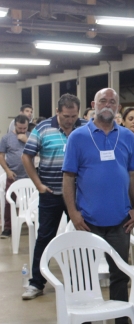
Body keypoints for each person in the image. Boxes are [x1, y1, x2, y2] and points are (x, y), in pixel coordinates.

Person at [62, 88, 134, 324]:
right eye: (103, 101)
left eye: (113, 101)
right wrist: (73, 213)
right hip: (88, 221)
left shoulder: (127, 136)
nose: (108, 105)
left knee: (120, 274)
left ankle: (120, 323)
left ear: (118, 106)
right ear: (93, 104)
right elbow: (68, 178)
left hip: (120, 221)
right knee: (85, 276)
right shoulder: (78, 136)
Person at [21, 94, 87, 300]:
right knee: (45, 237)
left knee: (80, 236)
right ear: (57, 112)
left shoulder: (84, 128)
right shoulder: (43, 129)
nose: (70, 120)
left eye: (74, 116)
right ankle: (36, 283)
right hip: (51, 194)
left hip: (78, 195)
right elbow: (27, 156)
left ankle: (81, 282)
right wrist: (39, 185)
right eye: (66, 116)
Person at [0, 115, 30, 238]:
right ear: (15, 125)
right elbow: (1, 156)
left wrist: (26, 140)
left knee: (31, 202)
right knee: (9, 202)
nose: (22, 130)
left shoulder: (31, 136)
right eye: (20, 128)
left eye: (25, 128)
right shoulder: (6, 138)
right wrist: (7, 171)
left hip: (29, 175)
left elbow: (39, 151)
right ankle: (8, 228)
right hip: (13, 174)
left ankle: (31, 224)